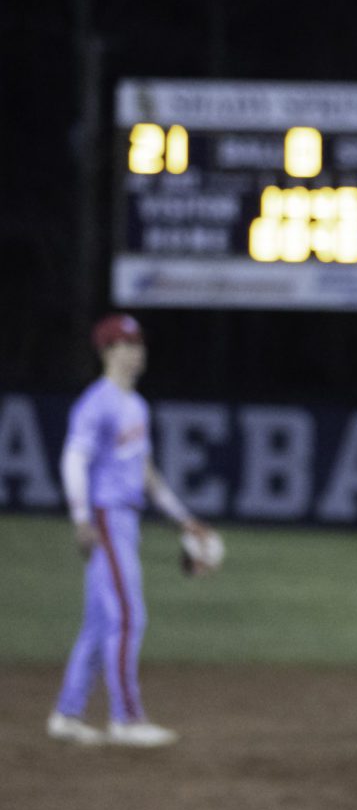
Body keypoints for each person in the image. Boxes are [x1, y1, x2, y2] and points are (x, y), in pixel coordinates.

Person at [49, 314, 217, 749]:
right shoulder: (97, 402)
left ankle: (67, 714)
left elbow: (146, 474)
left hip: (125, 517)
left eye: (137, 343)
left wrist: (183, 518)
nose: (134, 351)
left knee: (99, 621)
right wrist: (81, 516)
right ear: (106, 351)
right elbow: (74, 459)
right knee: (128, 616)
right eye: (124, 344)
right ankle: (126, 718)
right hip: (105, 515)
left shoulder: (135, 405)